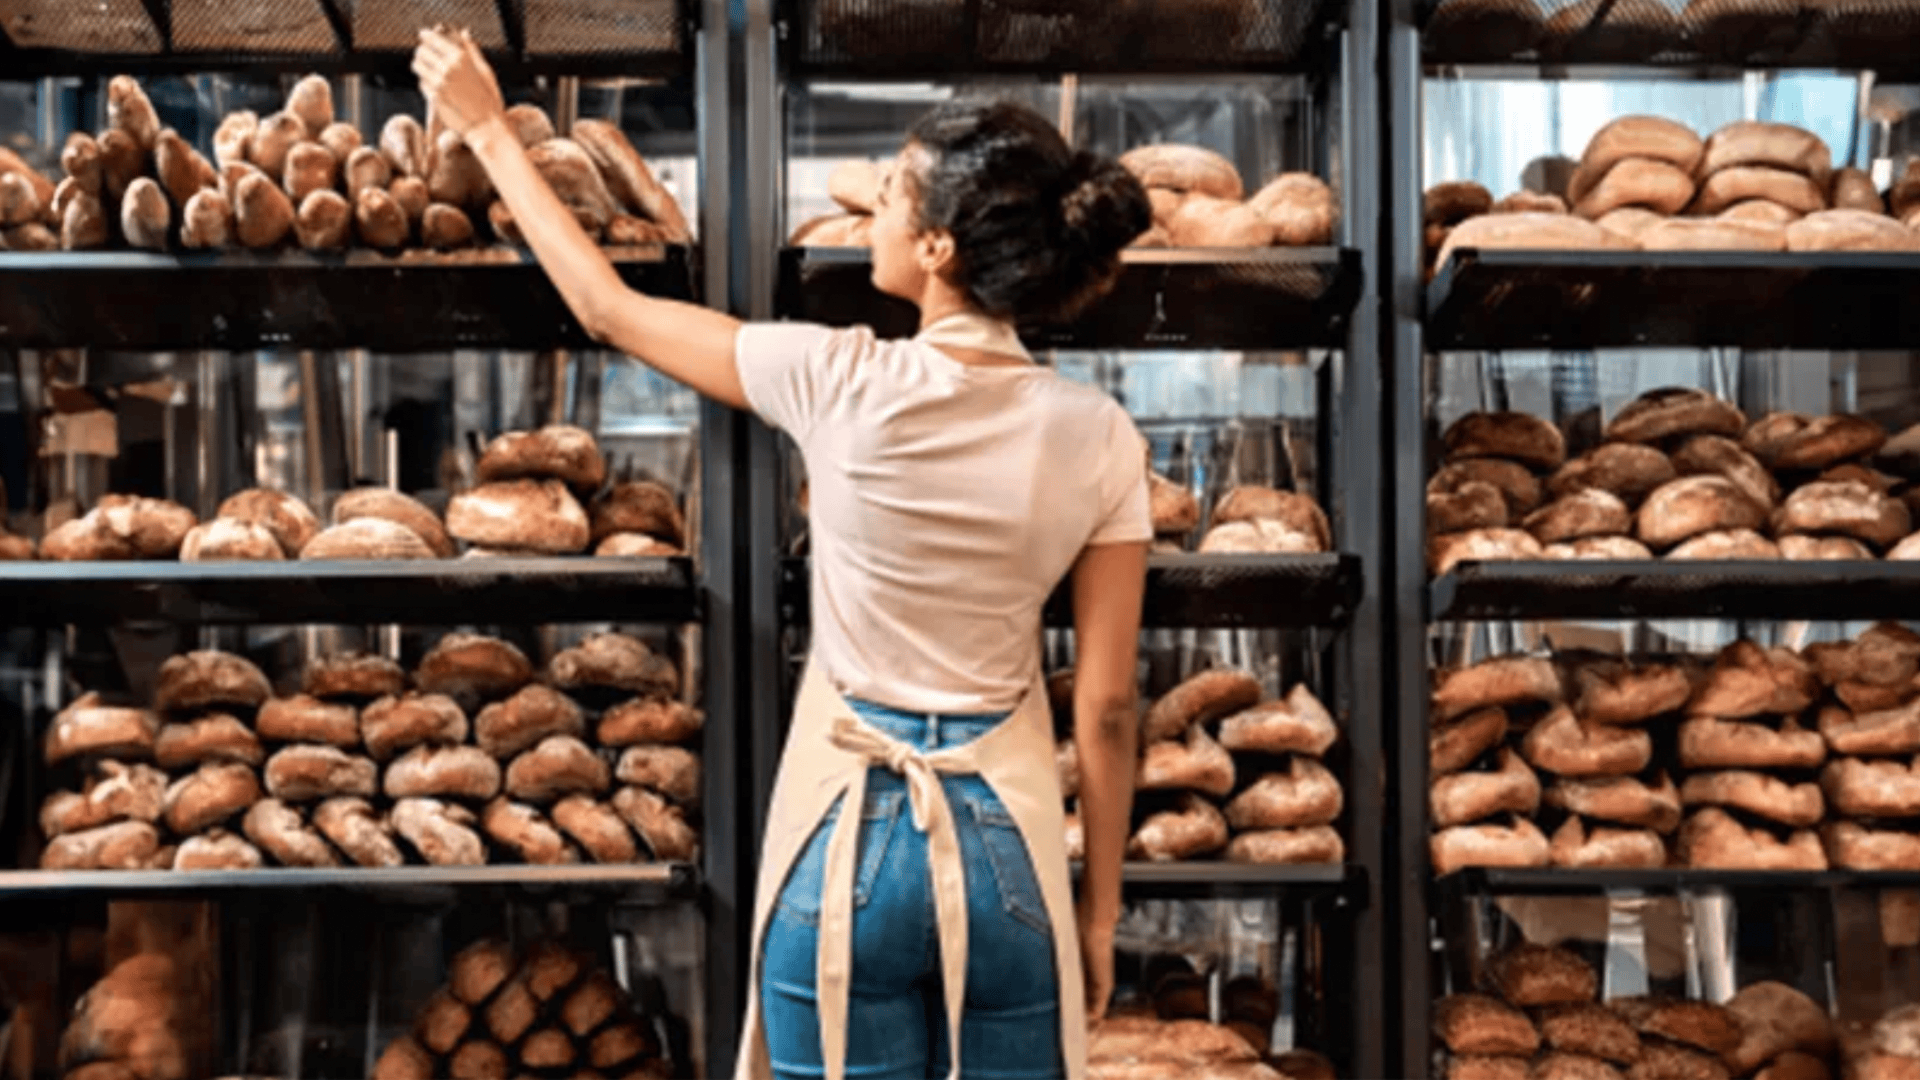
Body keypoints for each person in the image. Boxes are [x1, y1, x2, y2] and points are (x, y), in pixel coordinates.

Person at [415, 29, 1154, 1080]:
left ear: (941, 248)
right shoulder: (1100, 435)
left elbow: (607, 308)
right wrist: (1097, 915)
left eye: (897, 192)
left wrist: (488, 124)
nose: (875, 211)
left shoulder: (837, 378)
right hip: (1008, 854)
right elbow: (1110, 707)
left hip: (844, 835)